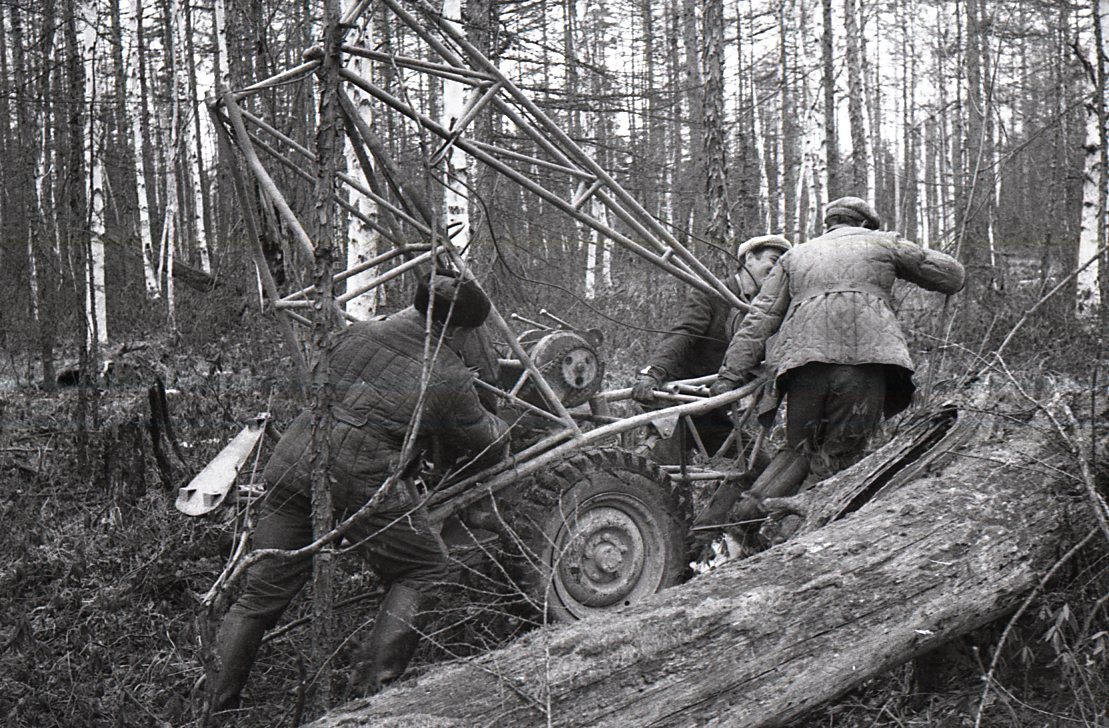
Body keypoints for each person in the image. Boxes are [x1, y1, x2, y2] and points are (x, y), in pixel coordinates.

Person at [211, 271, 510, 711]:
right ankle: (369, 700)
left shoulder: (355, 333)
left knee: (259, 596)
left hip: (293, 462)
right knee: (423, 570)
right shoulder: (447, 375)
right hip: (361, 482)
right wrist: (501, 422)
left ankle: (214, 706)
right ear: (460, 330)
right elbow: (488, 446)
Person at [709, 196, 965, 532]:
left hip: (802, 367)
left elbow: (760, 318)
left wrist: (729, 376)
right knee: (839, 459)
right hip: (865, 364)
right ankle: (802, 542)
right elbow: (951, 276)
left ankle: (743, 524)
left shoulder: (796, 255)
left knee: (798, 450)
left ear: (829, 223)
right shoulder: (884, 243)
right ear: (863, 224)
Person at [630, 234, 792, 464]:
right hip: (676, 401)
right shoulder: (713, 294)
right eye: (773, 261)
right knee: (661, 473)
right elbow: (683, 334)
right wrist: (653, 372)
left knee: (755, 468)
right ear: (749, 258)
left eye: (782, 267)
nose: (776, 271)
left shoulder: (768, 311)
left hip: (712, 409)